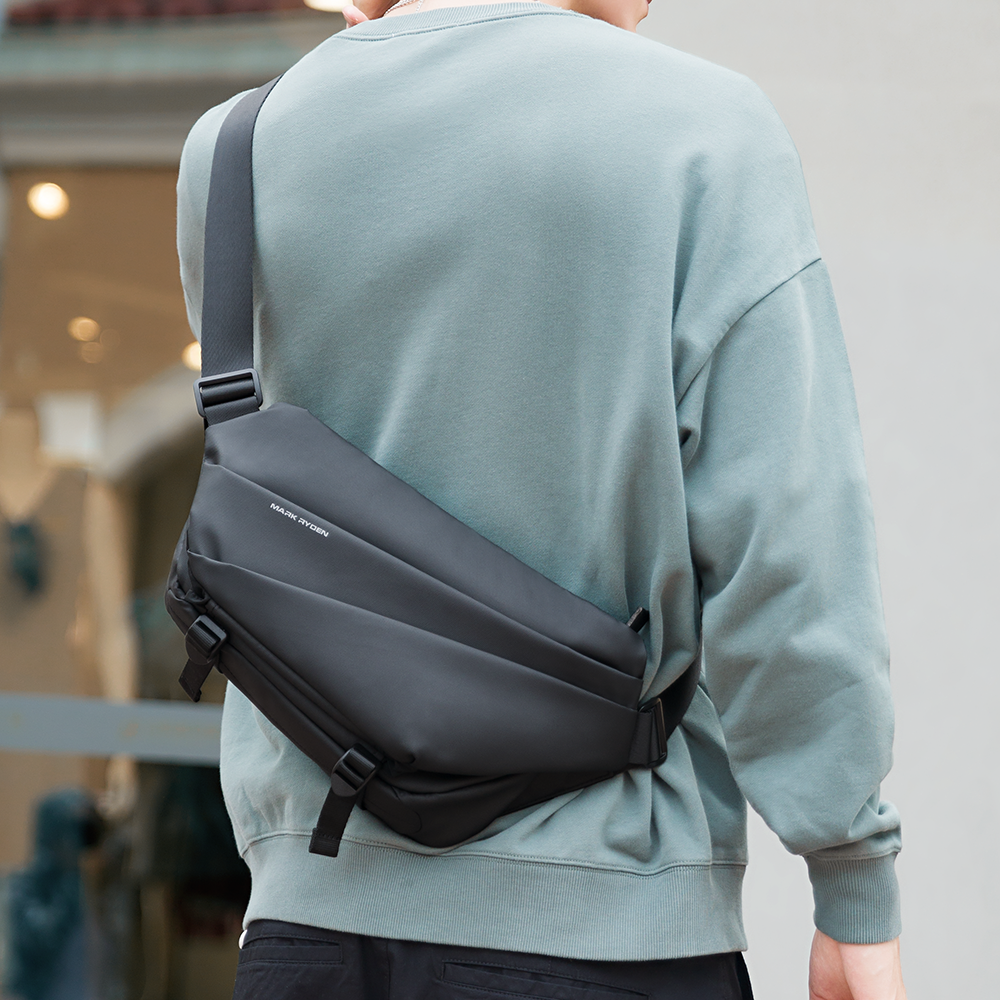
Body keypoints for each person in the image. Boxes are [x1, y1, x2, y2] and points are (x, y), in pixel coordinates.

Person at [176, 0, 906, 997]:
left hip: (307, 924)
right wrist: (851, 882)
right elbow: (783, 549)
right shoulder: (699, 129)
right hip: (605, 931)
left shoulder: (233, 151)